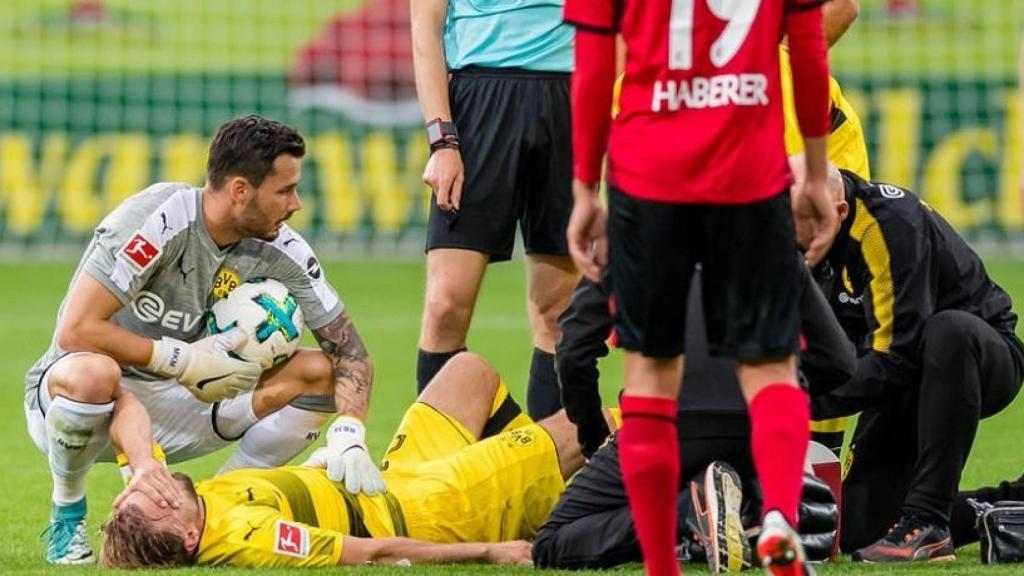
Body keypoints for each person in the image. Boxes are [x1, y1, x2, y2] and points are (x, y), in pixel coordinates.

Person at [25, 115, 384, 565]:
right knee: (94, 372)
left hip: (183, 399)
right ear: (240, 190)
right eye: (285, 190)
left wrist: (350, 433)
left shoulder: (283, 249)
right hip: (81, 402)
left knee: (321, 375)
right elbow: (76, 330)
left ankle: (224, 501)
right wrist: (180, 359)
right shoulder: (157, 220)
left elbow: (350, 351)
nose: (296, 204)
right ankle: (68, 511)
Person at [564, 0, 835, 574]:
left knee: (651, 381)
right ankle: (781, 521)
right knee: (769, 368)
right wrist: (814, 171)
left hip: (648, 181)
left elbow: (591, 66)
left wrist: (586, 188)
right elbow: (808, 46)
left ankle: (664, 567)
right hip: (751, 177)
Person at [99, 352, 589, 568]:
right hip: (434, 508)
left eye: (129, 495)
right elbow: (371, 554)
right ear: (188, 538)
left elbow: (124, 403)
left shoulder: (185, 495)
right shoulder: (249, 539)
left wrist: (141, 462)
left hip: (393, 479)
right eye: (152, 500)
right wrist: (488, 553)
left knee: (468, 373)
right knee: (600, 423)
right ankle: (575, 496)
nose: (148, 486)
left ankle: (570, 501)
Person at [534, 264, 854, 572]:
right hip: (758, 431)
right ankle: (749, 505)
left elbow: (574, 350)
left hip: (663, 422)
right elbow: (837, 360)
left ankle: (691, 508)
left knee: (552, 542)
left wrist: (592, 435)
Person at [804, 159, 1024, 562]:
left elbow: (896, 359)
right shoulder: (792, 238)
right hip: (899, 379)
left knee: (948, 330)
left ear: (838, 210)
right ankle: (1008, 507)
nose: (797, 235)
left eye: (807, 221)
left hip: (976, 359)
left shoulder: (889, 225)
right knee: (857, 529)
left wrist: (798, 403)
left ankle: (930, 523)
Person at [410, 0, 579, 418]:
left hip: (571, 96)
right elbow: (424, 29)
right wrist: (442, 140)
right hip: (477, 101)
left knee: (558, 311)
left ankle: (546, 473)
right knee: (445, 305)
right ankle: (433, 465)